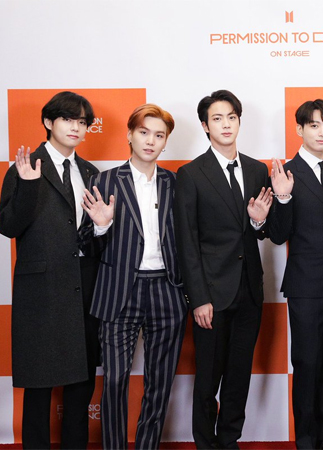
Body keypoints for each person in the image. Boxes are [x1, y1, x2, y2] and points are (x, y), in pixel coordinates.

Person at [79, 104, 187, 449]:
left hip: (167, 290)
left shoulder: (176, 183)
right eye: (143, 132)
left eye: (159, 135)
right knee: (114, 380)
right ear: (129, 135)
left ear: (166, 142)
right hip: (118, 291)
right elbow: (85, 244)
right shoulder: (104, 180)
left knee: (160, 383)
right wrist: (101, 226)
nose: (150, 141)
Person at [0, 91, 100, 449]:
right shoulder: (25, 167)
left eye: (82, 122)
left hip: (83, 289)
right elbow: (8, 226)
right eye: (68, 119)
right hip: (41, 294)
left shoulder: (90, 172)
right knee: (39, 389)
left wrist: (103, 227)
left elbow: (95, 235)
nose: (76, 128)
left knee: (81, 387)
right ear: (48, 122)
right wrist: (28, 187)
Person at [174, 89, 272, 449]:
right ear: (205, 126)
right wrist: (198, 298)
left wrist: (259, 222)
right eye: (217, 118)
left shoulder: (257, 169)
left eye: (232, 117)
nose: (226, 124)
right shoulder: (191, 174)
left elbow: (263, 230)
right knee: (208, 378)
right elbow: (187, 241)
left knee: (238, 375)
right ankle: (205, 442)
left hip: (249, 291)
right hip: (211, 295)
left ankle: (230, 440)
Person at [269, 99, 323, 449]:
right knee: (307, 365)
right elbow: (277, 235)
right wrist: (283, 198)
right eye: (315, 125)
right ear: (300, 129)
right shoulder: (285, 173)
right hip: (306, 286)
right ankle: (306, 441)